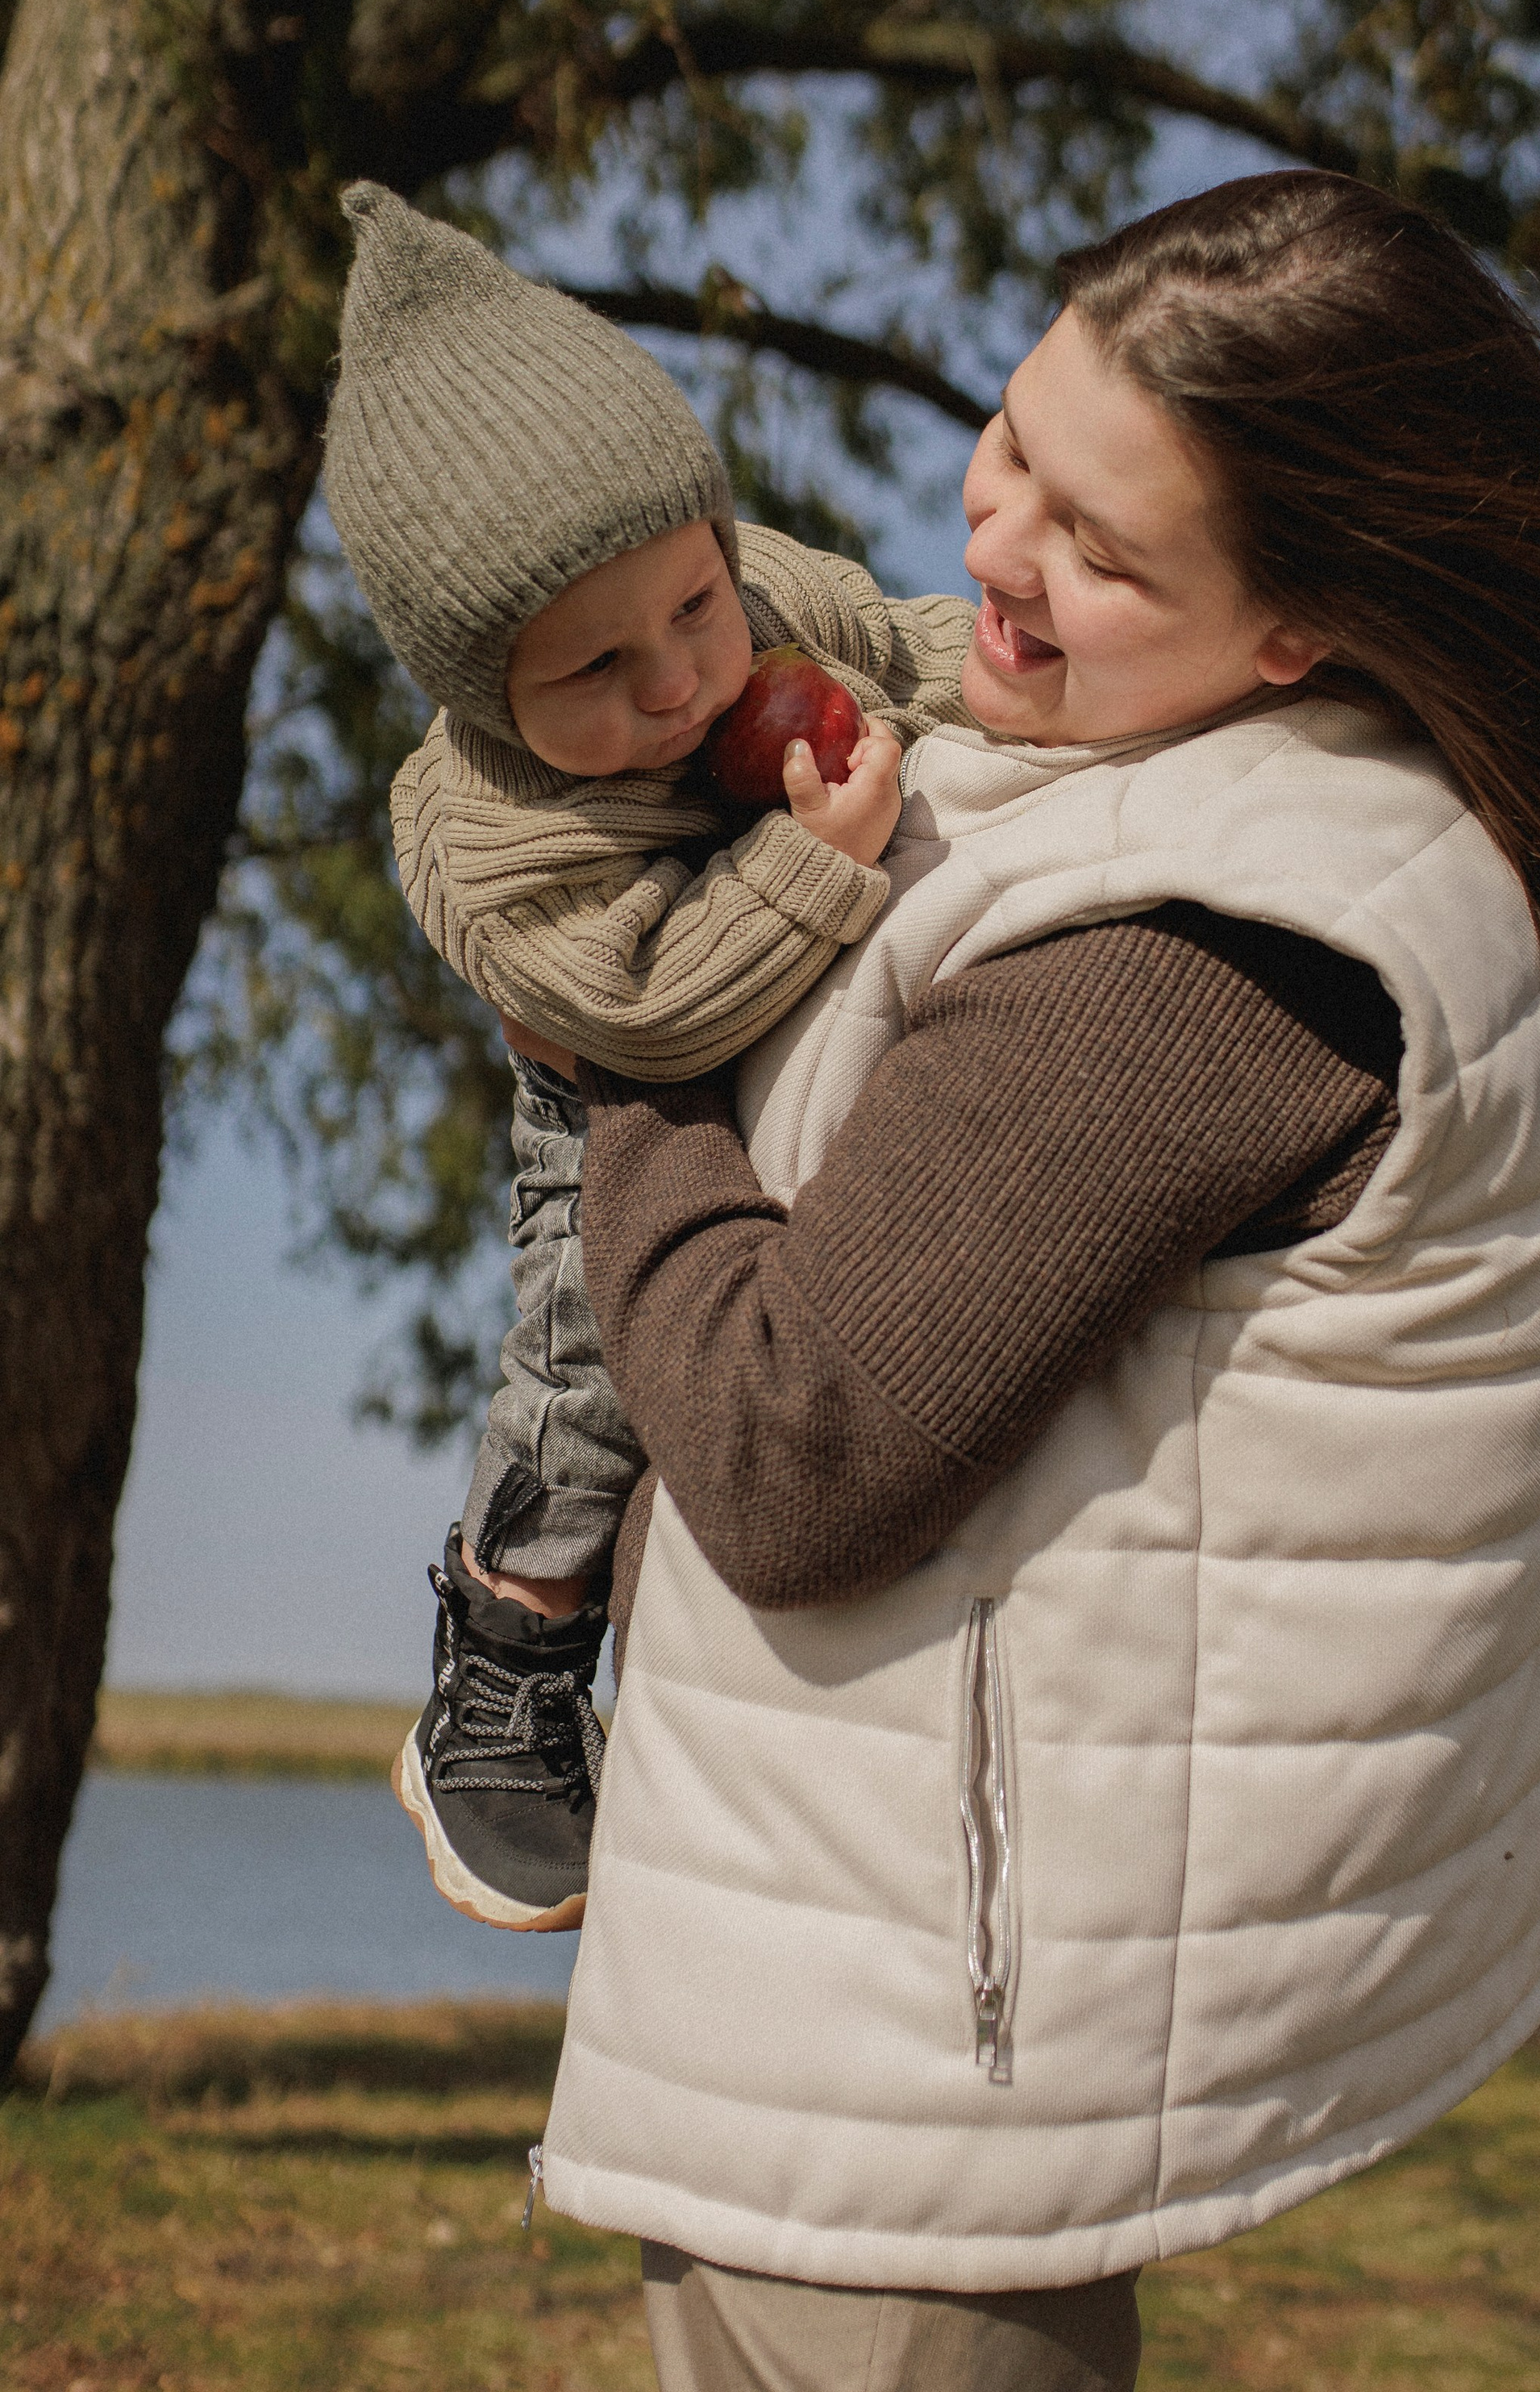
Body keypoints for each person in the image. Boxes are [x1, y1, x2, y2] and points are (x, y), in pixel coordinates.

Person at [531, 168, 1540, 2392]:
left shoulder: (1208, 944)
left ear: (1299, 622)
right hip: (864, 1982)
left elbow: (790, 1446)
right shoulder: (1235, 803)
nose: (1000, 547)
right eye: (1020, 441)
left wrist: (613, 1034)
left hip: (915, 2060)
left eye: (1107, 549)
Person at [321, 184, 972, 1936]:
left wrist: (1034, 690)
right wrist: (813, 862)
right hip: (613, 1066)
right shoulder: (484, 826)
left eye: (693, 604)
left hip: (764, 958)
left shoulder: (750, 593)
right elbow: (648, 1005)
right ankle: (503, 1658)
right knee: (590, 1350)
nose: (684, 678)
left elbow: (903, 644)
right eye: (597, 669)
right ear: (482, 695)